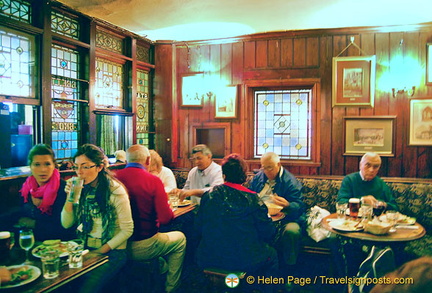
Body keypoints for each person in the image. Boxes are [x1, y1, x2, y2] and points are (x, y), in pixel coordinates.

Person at [195, 153, 278, 290]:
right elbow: (268, 233)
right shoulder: (253, 200)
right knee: (272, 254)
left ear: (224, 175)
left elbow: (198, 228)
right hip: (244, 259)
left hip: (210, 255)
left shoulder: (208, 196)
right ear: (244, 176)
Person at [61, 144, 133, 293]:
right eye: (76, 167)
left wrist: (100, 251)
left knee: (86, 289)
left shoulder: (114, 190)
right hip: (85, 247)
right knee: (63, 284)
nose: (79, 172)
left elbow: (127, 230)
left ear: (99, 167)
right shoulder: (81, 189)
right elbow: (67, 224)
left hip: (112, 252)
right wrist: (70, 197)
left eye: (85, 167)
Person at [115, 145, 186, 293]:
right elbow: (166, 219)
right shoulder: (153, 181)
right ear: (148, 160)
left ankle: (158, 270)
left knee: (160, 255)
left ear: (126, 160)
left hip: (117, 245)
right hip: (144, 244)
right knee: (180, 239)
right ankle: (171, 287)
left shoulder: (114, 178)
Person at [249, 152, 306, 267]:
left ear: (278, 164)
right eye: (263, 167)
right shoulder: (258, 178)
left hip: (287, 218)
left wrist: (288, 205)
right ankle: (253, 265)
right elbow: (250, 196)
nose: (266, 171)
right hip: (262, 217)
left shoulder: (290, 182)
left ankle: (290, 268)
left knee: (292, 231)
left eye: (269, 167)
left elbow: (300, 206)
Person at [16, 144, 76, 241]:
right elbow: (18, 216)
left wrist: (33, 223)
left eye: (47, 164)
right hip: (32, 244)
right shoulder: (25, 188)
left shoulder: (64, 189)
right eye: (37, 164)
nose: (43, 169)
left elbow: (65, 228)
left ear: (54, 166)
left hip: (59, 245)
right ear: (30, 166)